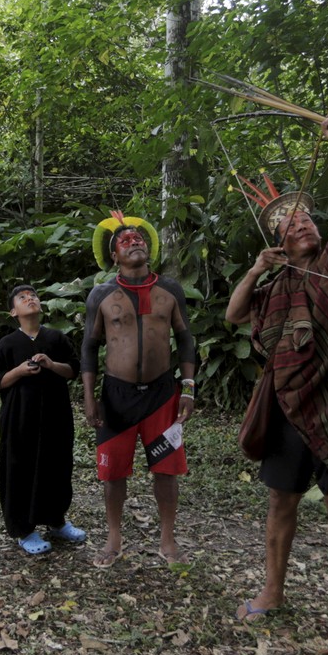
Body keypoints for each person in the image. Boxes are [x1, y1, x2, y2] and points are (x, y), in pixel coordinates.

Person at [224, 114, 328, 651]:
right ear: (279, 243)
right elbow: (233, 315)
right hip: (289, 408)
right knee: (280, 502)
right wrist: (255, 269)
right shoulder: (276, 285)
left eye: (306, 219)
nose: (303, 226)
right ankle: (273, 592)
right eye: (289, 226)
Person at [81, 211, 197, 567]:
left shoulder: (170, 289)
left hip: (163, 395)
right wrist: (89, 396)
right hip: (117, 396)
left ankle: (167, 539)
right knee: (113, 473)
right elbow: (89, 346)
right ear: (114, 255)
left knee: (167, 469)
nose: (135, 242)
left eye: (139, 239)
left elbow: (185, 338)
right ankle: (113, 539)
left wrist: (189, 388)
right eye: (125, 241)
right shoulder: (101, 294)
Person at [0, 284, 85, 555]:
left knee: (57, 464)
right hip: (19, 418)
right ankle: (24, 529)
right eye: (22, 298)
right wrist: (19, 370)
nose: (30, 299)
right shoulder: (7, 344)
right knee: (19, 467)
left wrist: (51, 365)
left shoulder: (56, 338)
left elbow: (72, 371)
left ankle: (57, 521)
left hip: (55, 415)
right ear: (13, 311)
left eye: (33, 296)